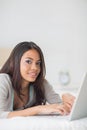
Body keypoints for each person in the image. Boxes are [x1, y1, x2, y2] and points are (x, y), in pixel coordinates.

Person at [0, 41, 75, 118]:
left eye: (38, 63)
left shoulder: (41, 83)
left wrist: (65, 96)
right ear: (15, 62)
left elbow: (61, 108)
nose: (35, 68)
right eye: (28, 61)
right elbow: (1, 115)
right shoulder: (3, 80)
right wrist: (39, 109)